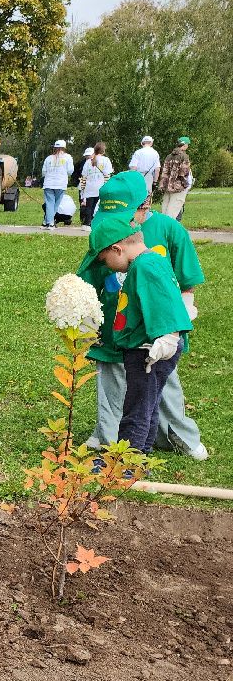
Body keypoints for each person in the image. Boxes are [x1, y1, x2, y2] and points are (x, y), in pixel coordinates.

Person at [77, 170, 207, 460]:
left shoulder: (148, 262)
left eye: (105, 259)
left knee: (140, 405)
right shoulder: (139, 260)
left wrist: (169, 334)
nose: (106, 265)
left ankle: (127, 463)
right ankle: (133, 454)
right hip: (127, 339)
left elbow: (171, 299)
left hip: (147, 346)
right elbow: (88, 275)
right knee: (142, 402)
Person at [40, 139, 74, 229]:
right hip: (61, 183)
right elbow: (70, 171)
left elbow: (43, 171)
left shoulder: (49, 158)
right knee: (56, 204)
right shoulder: (68, 157)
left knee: (49, 203)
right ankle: (50, 223)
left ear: (55, 148)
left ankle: (47, 222)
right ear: (64, 148)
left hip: (48, 183)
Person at [157, 136, 192, 220]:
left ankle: (163, 229)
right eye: (187, 144)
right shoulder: (184, 156)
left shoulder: (168, 156)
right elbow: (184, 173)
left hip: (167, 186)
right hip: (178, 187)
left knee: (165, 210)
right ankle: (168, 231)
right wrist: (186, 184)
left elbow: (164, 172)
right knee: (172, 212)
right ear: (184, 145)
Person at [79, 142, 113, 224]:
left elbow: (84, 176)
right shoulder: (106, 160)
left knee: (89, 206)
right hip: (101, 186)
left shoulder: (88, 161)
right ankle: (96, 221)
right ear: (103, 151)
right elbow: (107, 175)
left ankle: (87, 223)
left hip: (89, 186)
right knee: (98, 206)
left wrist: (82, 188)